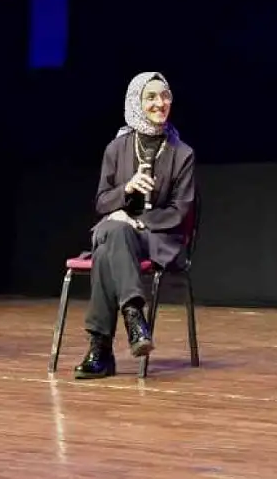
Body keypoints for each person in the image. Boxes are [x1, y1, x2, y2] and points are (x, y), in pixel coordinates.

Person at [73, 71, 197, 379]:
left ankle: (101, 348)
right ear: (136, 102)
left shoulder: (183, 153)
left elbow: (180, 211)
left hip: (161, 239)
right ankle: (133, 317)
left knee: (107, 239)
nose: (160, 103)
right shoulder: (117, 148)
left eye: (165, 96)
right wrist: (127, 189)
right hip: (121, 237)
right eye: (151, 97)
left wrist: (137, 221)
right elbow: (102, 203)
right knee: (112, 234)